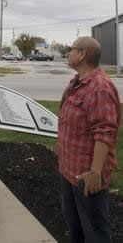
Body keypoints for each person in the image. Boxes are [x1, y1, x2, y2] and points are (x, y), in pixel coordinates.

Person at [58, 36, 121, 243]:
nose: (68, 53)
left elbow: (105, 132)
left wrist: (95, 172)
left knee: (95, 233)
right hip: (69, 172)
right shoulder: (77, 82)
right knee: (76, 231)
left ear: (82, 54)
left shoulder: (100, 88)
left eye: (71, 49)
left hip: (87, 177)